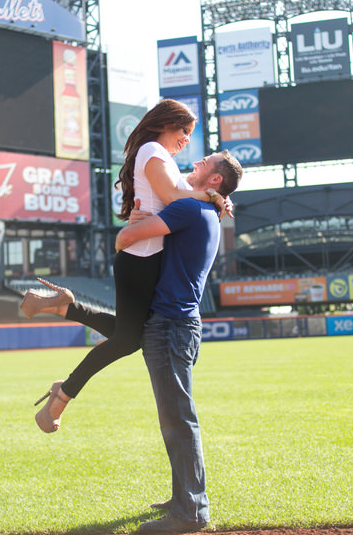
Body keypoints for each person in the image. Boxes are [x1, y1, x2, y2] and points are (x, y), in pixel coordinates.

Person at [27, 99, 228, 433]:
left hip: (147, 258)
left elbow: (177, 194)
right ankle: (61, 395)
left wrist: (216, 194)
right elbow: (176, 198)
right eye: (183, 131)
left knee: (132, 334)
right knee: (128, 340)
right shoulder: (152, 150)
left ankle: (67, 309)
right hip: (140, 260)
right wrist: (212, 196)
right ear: (166, 124)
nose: (186, 140)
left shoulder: (161, 157)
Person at [115, 150, 243, 534]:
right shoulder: (204, 209)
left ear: (216, 180)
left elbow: (125, 238)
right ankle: (183, 499)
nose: (198, 160)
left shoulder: (189, 209)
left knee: (178, 419)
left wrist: (138, 222)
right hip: (179, 325)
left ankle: (191, 513)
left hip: (171, 325)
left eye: (207, 162)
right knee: (175, 417)